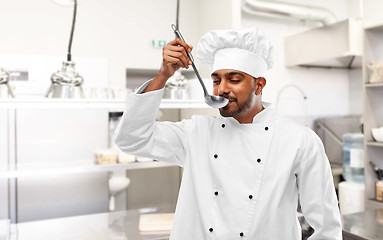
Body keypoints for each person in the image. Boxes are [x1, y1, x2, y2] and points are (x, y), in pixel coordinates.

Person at [114, 27, 342, 239]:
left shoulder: (300, 141)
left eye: (234, 79)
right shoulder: (197, 132)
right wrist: (163, 75)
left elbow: (327, 228)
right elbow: (132, 139)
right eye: (216, 80)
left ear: (259, 85)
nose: (222, 88)